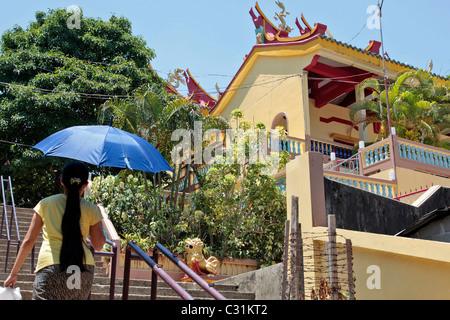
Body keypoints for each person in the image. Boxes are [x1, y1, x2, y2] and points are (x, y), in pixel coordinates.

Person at [3, 161, 106, 300]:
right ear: (86, 185)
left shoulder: (45, 204)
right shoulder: (91, 209)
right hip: (83, 269)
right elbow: (99, 244)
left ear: (62, 181)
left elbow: (28, 241)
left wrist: (14, 273)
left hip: (51, 266)